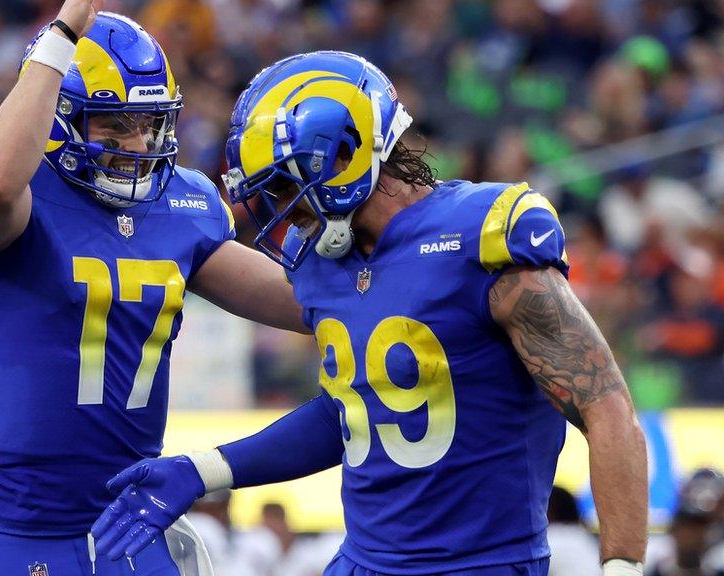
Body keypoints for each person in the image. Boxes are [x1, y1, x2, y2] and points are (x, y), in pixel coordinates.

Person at [92, 51, 649, 576]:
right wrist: (203, 470)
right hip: (361, 560)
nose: (284, 210)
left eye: (286, 183)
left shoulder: (479, 236)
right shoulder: (322, 265)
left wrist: (623, 565)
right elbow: (354, 409)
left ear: (342, 154)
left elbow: (605, 405)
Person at [0, 1, 305, 575]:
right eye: (116, 124)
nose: (138, 145)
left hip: (131, 518)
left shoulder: (181, 201)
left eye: (149, 124)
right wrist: (66, 27)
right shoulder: (5, 182)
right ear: (58, 118)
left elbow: (302, 303)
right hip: (19, 527)